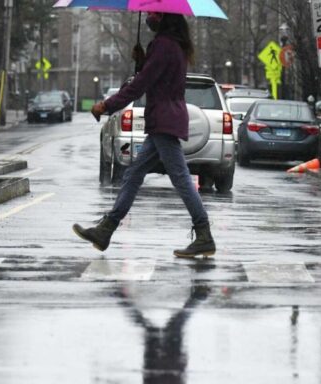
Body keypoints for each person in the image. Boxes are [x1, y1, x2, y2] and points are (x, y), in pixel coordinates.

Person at [72, 12, 215, 258]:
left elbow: (141, 85)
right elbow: (156, 78)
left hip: (163, 120)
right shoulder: (174, 45)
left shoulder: (163, 45)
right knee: (134, 173)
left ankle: (204, 235)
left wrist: (106, 106)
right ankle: (105, 230)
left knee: (180, 177)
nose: (149, 17)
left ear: (163, 18)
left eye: (153, 14)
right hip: (165, 118)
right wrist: (143, 61)